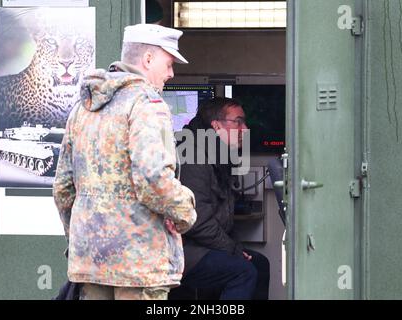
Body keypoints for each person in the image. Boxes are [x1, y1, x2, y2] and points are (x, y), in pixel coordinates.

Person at [53, 23, 196, 300]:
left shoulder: (83, 108)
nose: (171, 73)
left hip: (91, 262)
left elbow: (62, 189)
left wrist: (83, 235)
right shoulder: (147, 105)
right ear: (148, 59)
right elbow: (153, 179)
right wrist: (186, 213)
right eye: (169, 63)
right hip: (138, 264)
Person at [171, 97, 270, 300]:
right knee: (244, 271)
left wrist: (236, 248)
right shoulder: (193, 157)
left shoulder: (218, 156)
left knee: (259, 263)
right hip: (185, 252)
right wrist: (233, 249)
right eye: (238, 122)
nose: (245, 129)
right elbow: (196, 221)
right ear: (216, 126)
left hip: (204, 247)